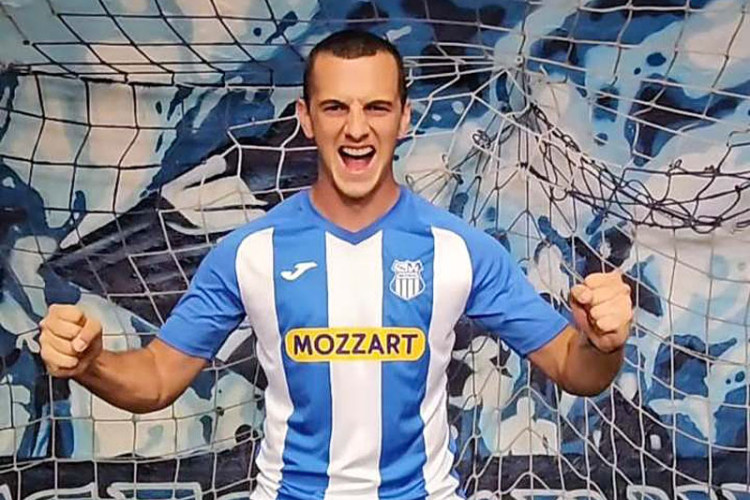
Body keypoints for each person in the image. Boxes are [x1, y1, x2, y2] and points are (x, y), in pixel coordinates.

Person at [39, 29, 633, 500]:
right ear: (306, 118)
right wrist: (92, 363)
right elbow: (156, 378)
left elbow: (575, 369)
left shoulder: (461, 250)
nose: (356, 129)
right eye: (335, 108)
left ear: (404, 117)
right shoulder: (250, 252)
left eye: (376, 107)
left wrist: (602, 343)